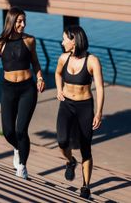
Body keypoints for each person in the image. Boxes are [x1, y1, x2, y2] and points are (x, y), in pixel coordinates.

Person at [0, 7, 45, 179]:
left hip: (28, 89)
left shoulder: (29, 41)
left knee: (21, 130)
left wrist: (40, 77)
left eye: (24, 21)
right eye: (19, 21)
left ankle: (22, 167)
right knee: (8, 132)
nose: (23, 24)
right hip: (8, 90)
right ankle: (18, 148)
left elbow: (35, 63)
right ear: (11, 22)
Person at [55, 25, 104, 199]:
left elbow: (99, 87)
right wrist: (59, 89)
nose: (62, 42)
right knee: (61, 141)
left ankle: (86, 186)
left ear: (74, 40)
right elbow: (58, 73)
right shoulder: (63, 58)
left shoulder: (92, 61)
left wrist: (98, 112)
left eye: (64, 39)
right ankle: (70, 161)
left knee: (85, 147)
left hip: (85, 107)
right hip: (66, 105)